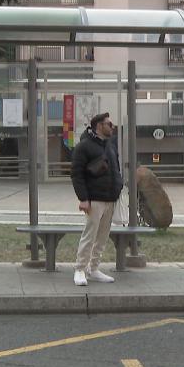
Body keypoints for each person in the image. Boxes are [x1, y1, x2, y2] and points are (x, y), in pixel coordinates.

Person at [70, 112, 122, 286]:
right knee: (89, 235)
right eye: (109, 124)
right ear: (99, 126)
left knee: (102, 237)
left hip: (110, 199)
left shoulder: (110, 146)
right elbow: (76, 174)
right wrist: (83, 198)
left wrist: (118, 187)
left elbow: (115, 168)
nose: (112, 127)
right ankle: (80, 269)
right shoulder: (84, 147)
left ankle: (93, 268)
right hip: (94, 199)